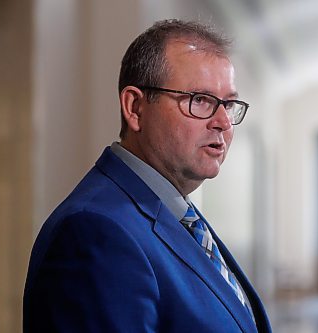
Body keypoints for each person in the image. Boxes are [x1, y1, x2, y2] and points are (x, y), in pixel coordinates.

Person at [23, 19, 271, 332]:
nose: (222, 121)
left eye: (229, 103)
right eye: (200, 100)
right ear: (135, 107)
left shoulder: (179, 214)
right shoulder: (96, 231)